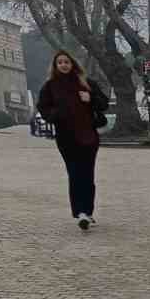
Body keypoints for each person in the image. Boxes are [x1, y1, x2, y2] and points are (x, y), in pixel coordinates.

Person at [34, 51, 109, 231]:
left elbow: (103, 103)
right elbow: (43, 107)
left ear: (73, 64)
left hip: (88, 136)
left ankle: (88, 211)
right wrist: (55, 115)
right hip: (66, 137)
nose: (63, 65)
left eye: (66, 62)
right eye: (60, 62)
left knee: (87, 174)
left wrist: (90, 99)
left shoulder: (86, 83)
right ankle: (80, 212)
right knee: (74, 173)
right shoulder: (50, 86)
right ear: (55, 66)